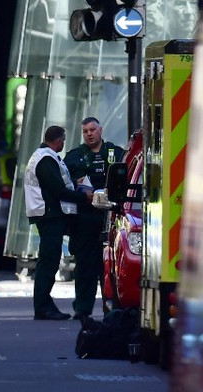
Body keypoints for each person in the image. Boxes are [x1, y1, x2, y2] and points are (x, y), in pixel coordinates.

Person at [24, 125, 92, 320]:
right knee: (49, 261)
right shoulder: (46, 159)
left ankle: (44, 304)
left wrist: (75, 185)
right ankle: (43, 306)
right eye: (63, 140)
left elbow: (58, 184)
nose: (63, 144)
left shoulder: (45, 156)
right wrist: (84, 197)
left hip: (49, 214)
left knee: (49, 260)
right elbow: (59, 191)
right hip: (49, 216)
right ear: (59, 140)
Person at [63, 117, 127, 321]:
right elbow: (61, 183)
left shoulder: (115, 153)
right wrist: (76, 182)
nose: (89, 134)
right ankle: (82, 309)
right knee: (84, 266)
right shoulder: (74, 157)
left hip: (110, 217)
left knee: (112, 267)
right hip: (84, 220)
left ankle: (113, 310)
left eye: (92, 129)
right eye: (85, 131)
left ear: (100, 130)